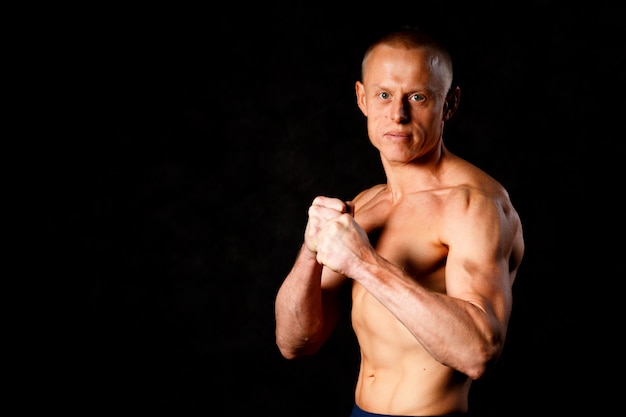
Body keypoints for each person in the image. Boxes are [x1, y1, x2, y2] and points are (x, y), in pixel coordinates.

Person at [274, 26, 524, 417]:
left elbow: (478, 353)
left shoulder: (475, 206)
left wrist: (364, 263)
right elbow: (295, 342)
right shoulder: (365, 204)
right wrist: (309, 253)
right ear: (362, 98)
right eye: (384, 95)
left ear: (450, 103)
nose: (398, 114)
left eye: (418, 97)